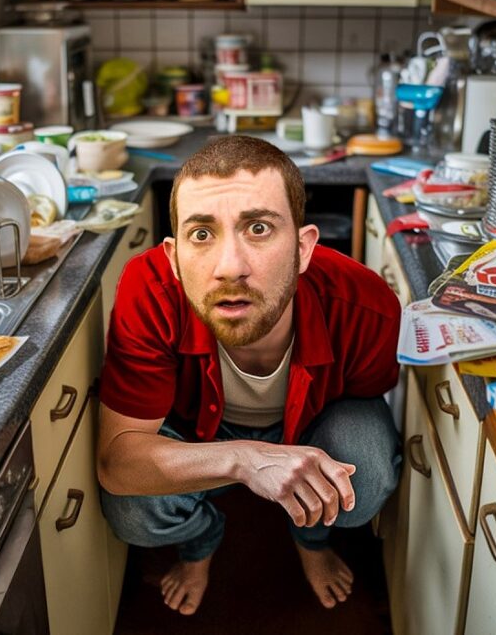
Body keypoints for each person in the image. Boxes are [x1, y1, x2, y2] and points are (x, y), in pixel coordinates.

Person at [97, 135, 402, 616]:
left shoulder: (369, 308)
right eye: (202, 234)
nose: (229, 267)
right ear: (174, 259)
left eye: (258, 228)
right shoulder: (148, 288)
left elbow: (362, 400)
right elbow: (118, 461)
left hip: (312, 424)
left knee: (367, 474)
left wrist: (299, 463)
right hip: (197, 431)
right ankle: (201, 540)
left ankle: (311, 538)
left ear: (303, 249)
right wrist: (244, 459)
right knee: (133, 511)